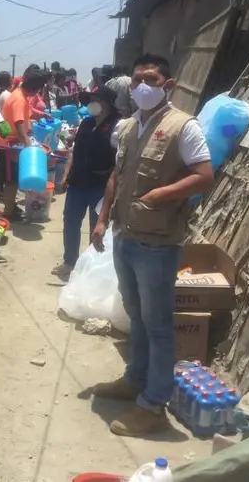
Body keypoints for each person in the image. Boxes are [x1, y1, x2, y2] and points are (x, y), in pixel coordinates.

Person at [89, 54, 215, 437]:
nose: (143, 86)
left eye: (152, 79)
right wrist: (101, 216)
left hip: (158, 243)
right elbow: (117, 173)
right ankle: (135, 379)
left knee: (158, 326)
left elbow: (204, 176)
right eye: (138, 79)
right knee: (137, 315)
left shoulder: (183, 127)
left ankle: (154, 405)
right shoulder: (128, 127)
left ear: (168, 85)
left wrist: (162, 193)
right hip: (126, 236)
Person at [51, 87, 121, 281]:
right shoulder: (86, 123)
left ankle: (92, 267)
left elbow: (120, 161)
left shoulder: (117, 126)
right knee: (70, 221)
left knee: (96, 226)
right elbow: (74, 151)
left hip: (101, 185)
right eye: (90, 99)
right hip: (78, 183)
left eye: (96, 99)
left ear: (106, 103)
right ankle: (69, 262)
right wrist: (65, 175)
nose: (92, 103)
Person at [0, 65, 48, 220]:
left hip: (15, 144)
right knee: (12, 180)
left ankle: (11, 208)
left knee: (13, 178)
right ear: (35, 89)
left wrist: (41, 115)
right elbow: (20, 127)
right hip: (11, 145)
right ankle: (7, 213)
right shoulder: (19, 99)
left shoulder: (21, 95)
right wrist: (30, 148)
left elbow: (28, 113)